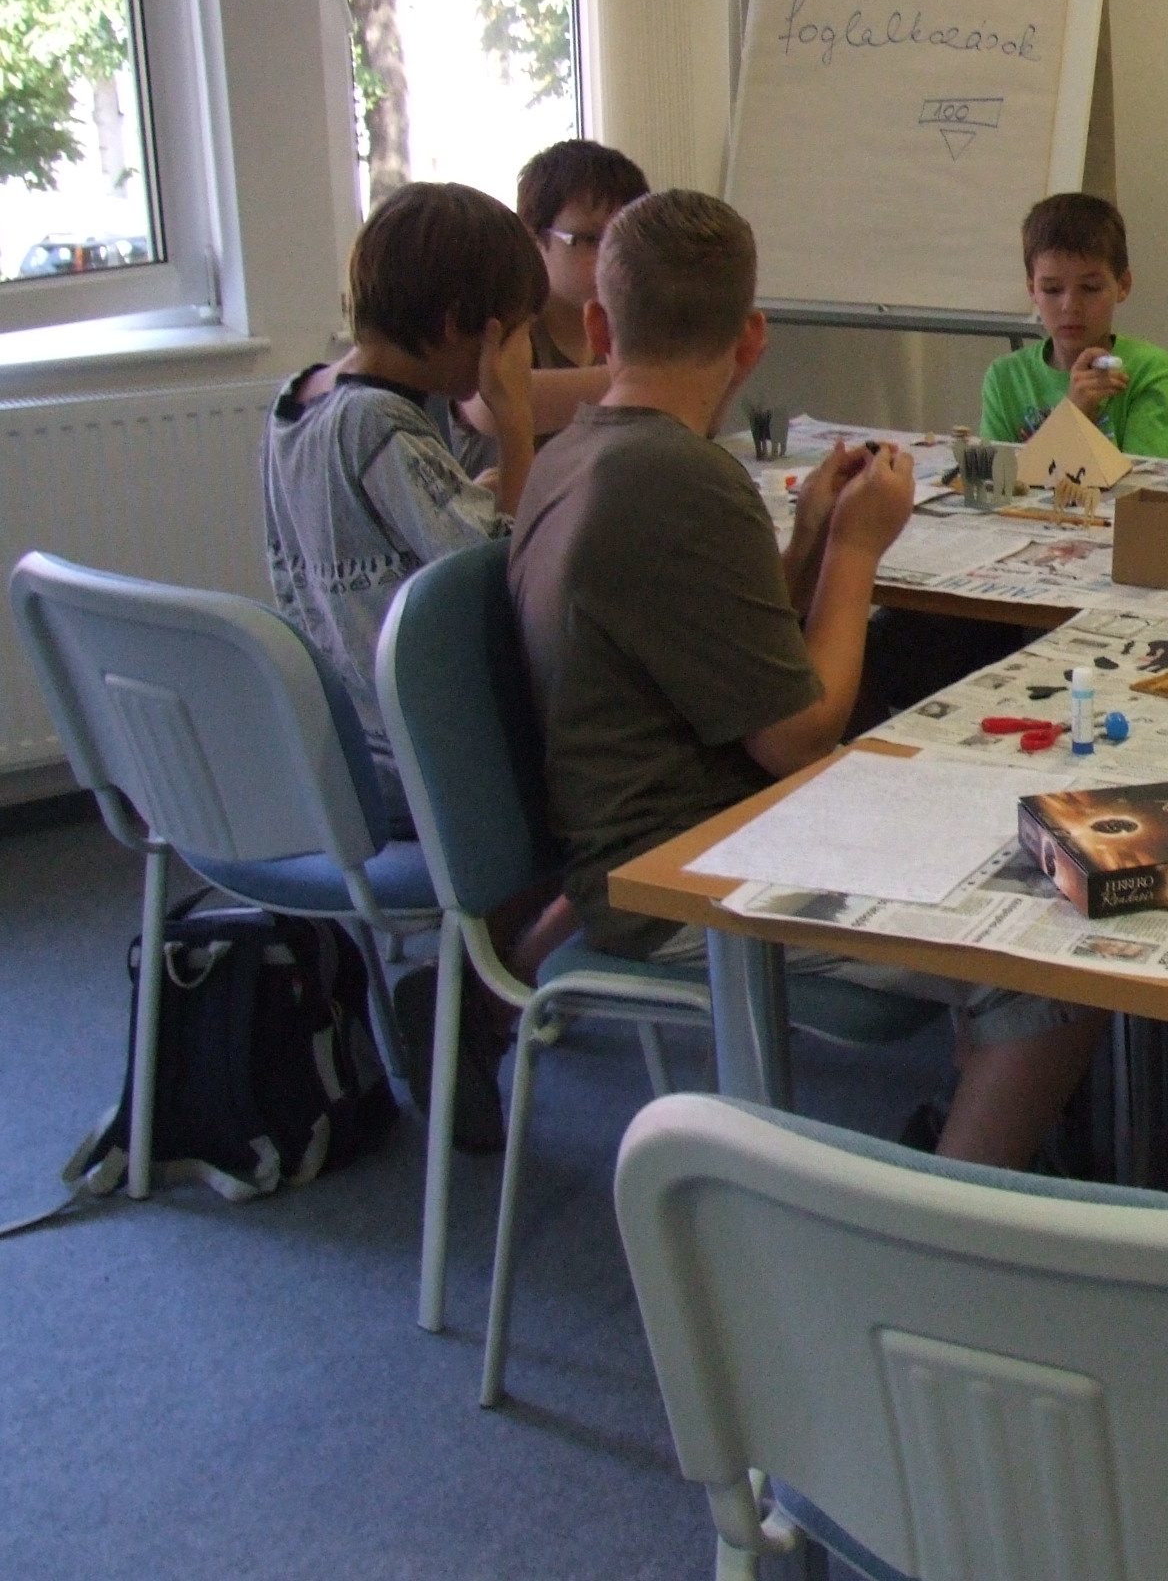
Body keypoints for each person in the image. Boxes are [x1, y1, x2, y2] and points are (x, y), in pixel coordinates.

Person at [511, 189, 1105, 1169]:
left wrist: (809, 541)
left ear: (599, 327)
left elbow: (730, 649)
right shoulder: (685, 479)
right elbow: (797, 736)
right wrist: (858, 551)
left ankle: (961, 1123)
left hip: (650, 833)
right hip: (685, 873)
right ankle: (934, 1217)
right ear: (752, 338)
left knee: (988, 818)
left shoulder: (571, 455)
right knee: (1054, 952)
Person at [263, 181, 560, 1148]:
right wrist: (516, 431)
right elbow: (503, 564)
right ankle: (476, 998)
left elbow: (396, 539)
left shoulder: (301, 402)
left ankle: (471, 994)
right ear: (461, 328)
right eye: (511, 335)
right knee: (600, 794)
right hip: (411, 769)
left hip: (337, 749)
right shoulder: (381, 427)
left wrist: (475, 481)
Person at [441, 139, 646, 472]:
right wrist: (652, 380)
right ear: (534, 239)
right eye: (589, 240)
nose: (613, 257)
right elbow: (494, 401)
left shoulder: (625, 328)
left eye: (623, 240)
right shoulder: (504, 318)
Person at [981, 193, 1168, 457]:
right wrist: (1074, 414)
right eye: (1052, 289)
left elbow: (1151, 481)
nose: (1070, 306)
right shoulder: (1004, 378)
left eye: (1090, 288)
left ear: (1123, 285)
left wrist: (1076, 418)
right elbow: (995, 478)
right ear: (1032, 289)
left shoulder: (1151, 372)